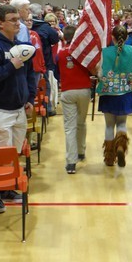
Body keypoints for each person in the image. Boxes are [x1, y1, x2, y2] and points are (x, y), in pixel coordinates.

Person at [0, 4, 36, 214]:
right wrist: (11, 65)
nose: (17, 23)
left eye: (18, 19)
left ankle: (6, 188)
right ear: (0, 23)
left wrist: (30, 97)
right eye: (13, 20)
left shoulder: (20, 45)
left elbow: (29, 73)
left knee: (13, 153)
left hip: (19, 108)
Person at [97, 25, 132, 167]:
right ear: (126, 37)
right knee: (122, 123)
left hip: (108, 92)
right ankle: (120, 146)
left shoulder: (105, 52)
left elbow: (100, 71)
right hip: (125, 92)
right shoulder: (131, 50)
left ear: (112, 37)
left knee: (109, 125)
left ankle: (109, 157)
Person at [58, 25, 92, 174]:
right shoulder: (84, 52)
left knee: (69, 127)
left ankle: (71, 162)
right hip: (84, 90)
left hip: (67, 90)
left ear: (64, 37)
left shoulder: (60, 52)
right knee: (81, 122)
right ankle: (81, 151)